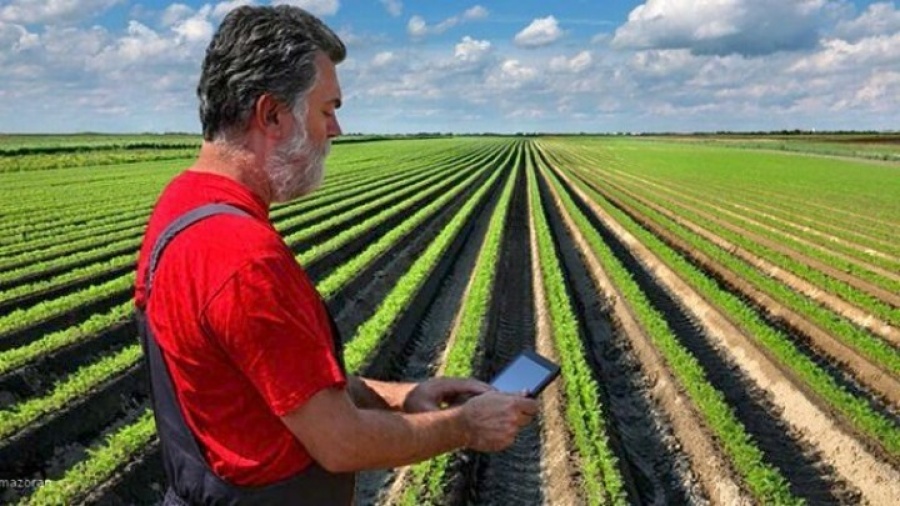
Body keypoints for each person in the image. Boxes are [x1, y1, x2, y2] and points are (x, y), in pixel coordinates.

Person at [133, 5, 539, 505]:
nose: (337, 130)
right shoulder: (242, 258)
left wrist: (403, 398)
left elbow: (286, 379)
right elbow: (340, 442)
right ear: (272, 114)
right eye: (328, 109)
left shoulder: (183, 205)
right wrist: (463, 427)